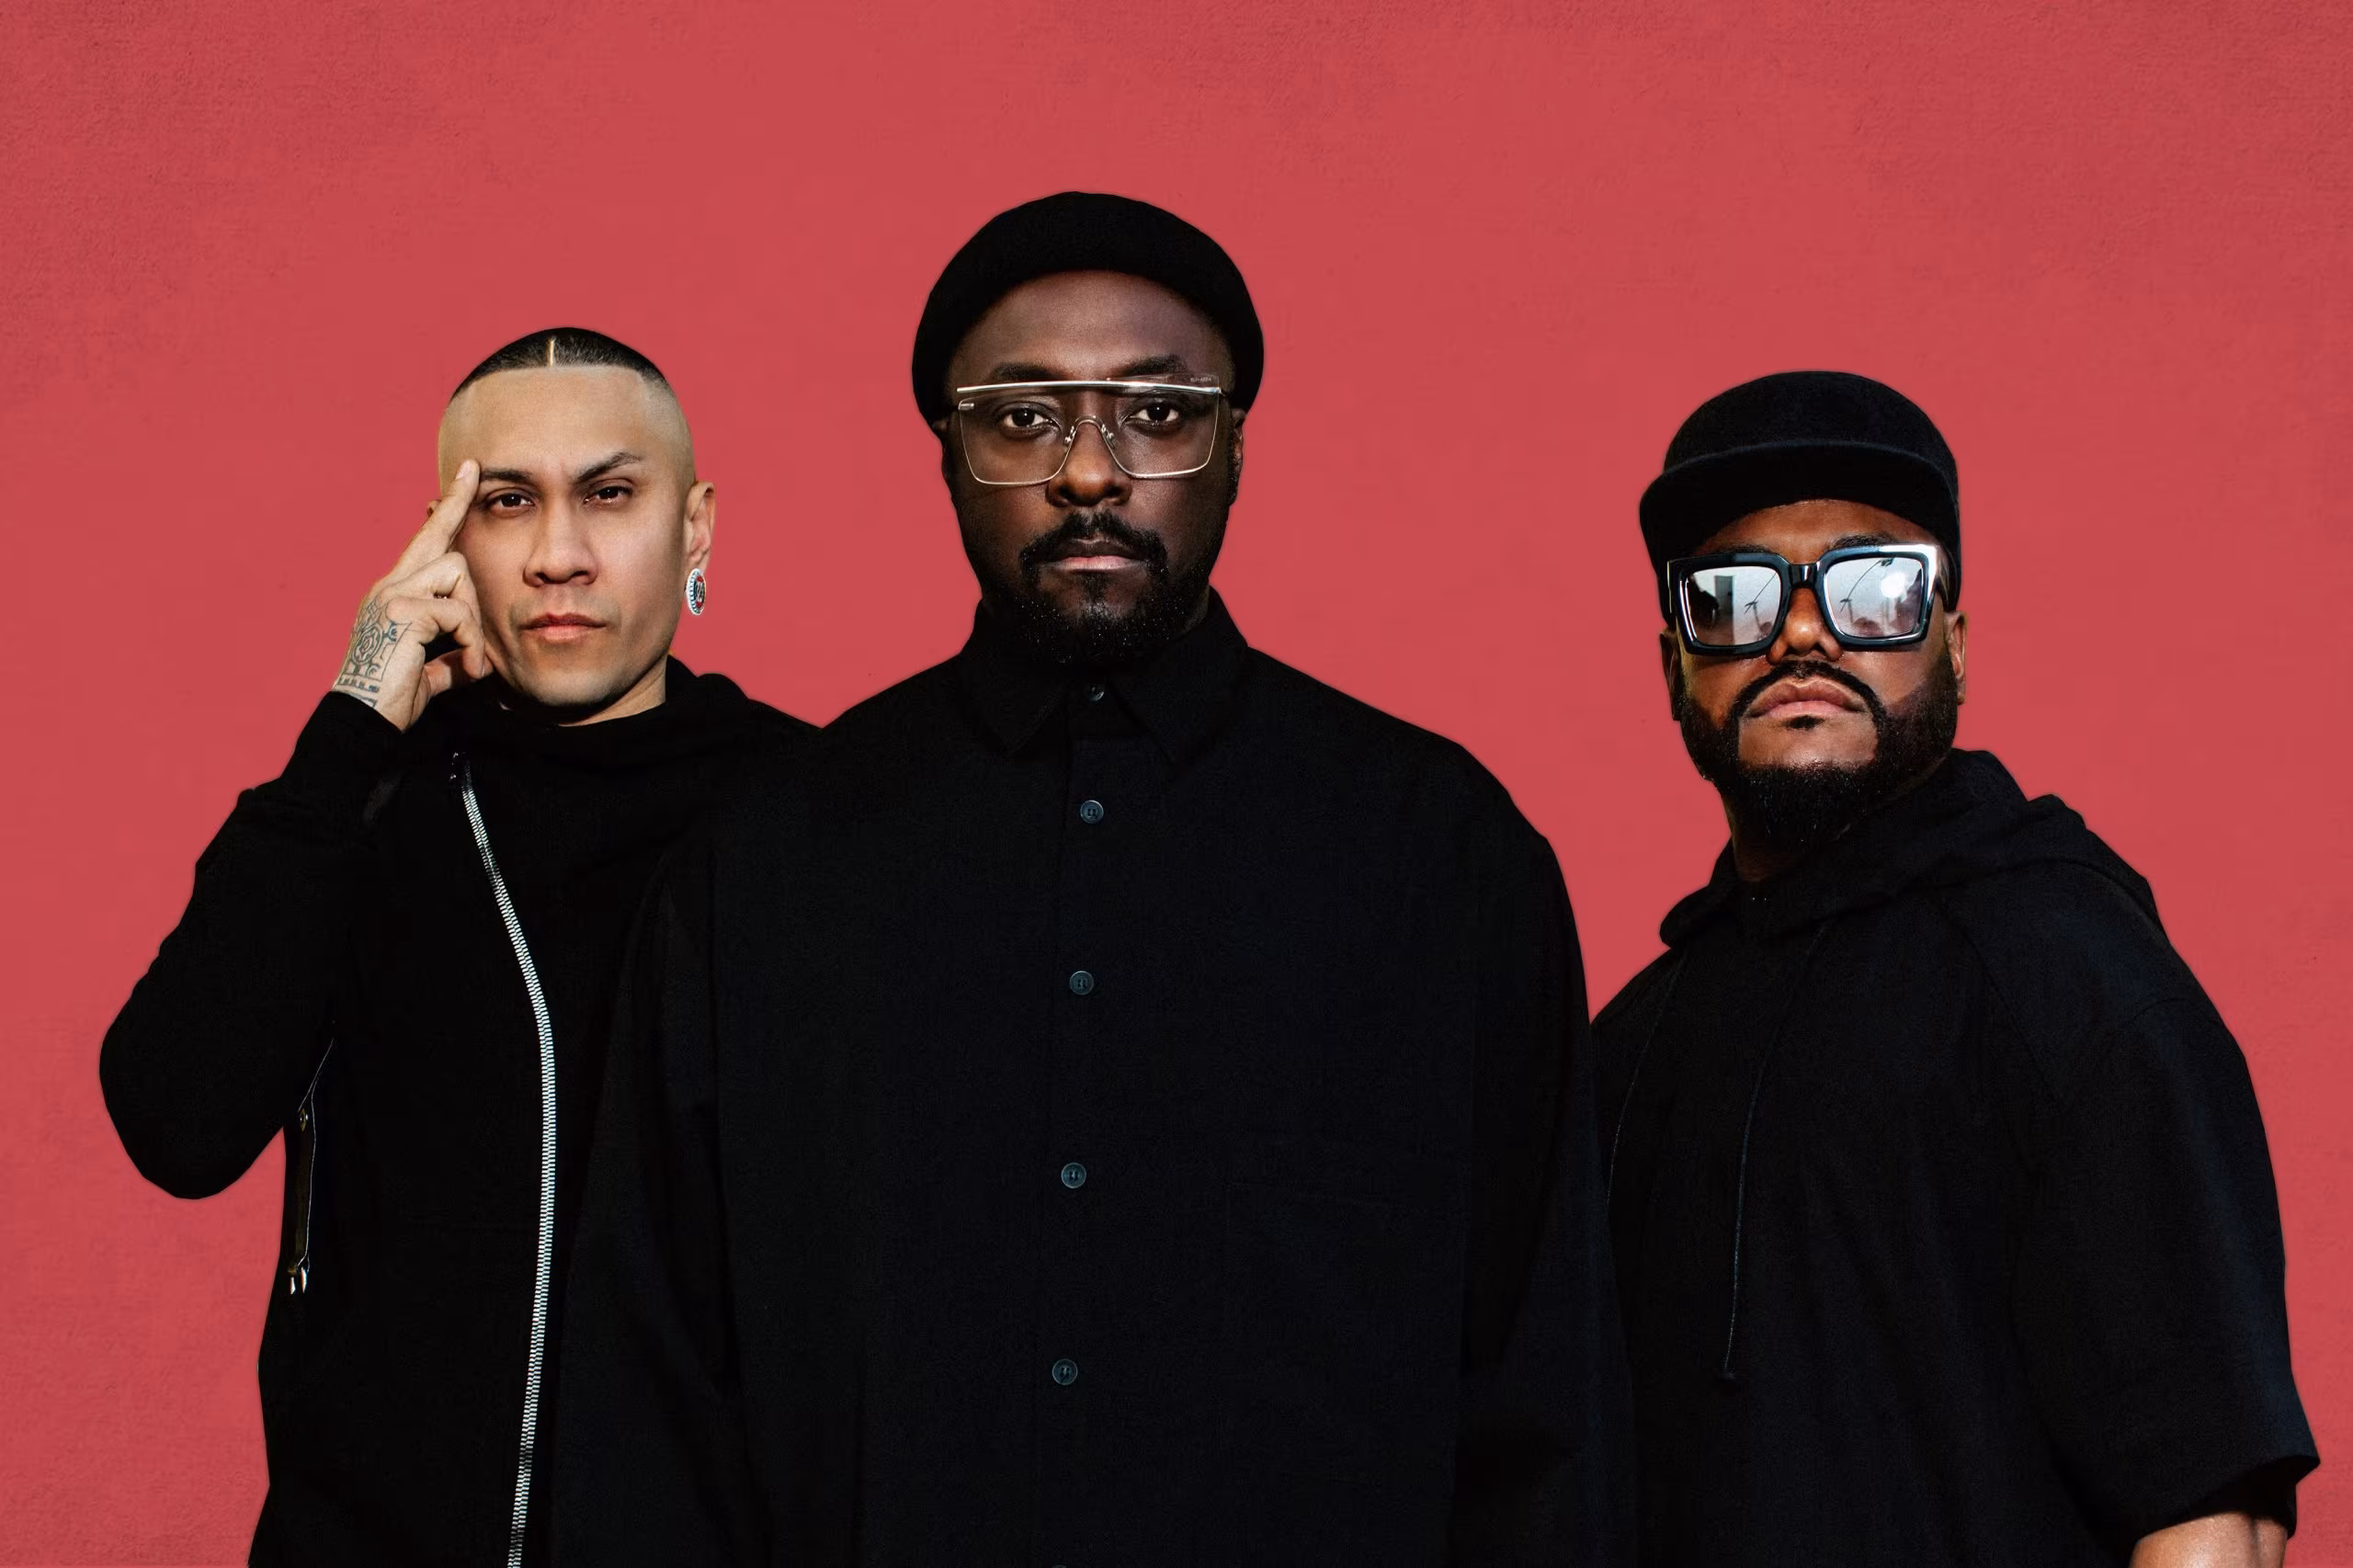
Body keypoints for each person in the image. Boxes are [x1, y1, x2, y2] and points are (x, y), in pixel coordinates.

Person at [556, 192, 1631, 1566]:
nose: (1087, 473)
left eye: (1158, 413)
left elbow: (1546, 1406)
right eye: (1022, 418)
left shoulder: (1444, 856)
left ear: (1235, 449)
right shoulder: (762, 866)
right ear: (949, 457)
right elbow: (651, 1412)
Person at [99, 328, 813, 1567]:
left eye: (610, 494)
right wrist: (350, 723)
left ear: (695, 527)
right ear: (440, 539)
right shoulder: (362, 813)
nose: (557, 554)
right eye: (506, 502)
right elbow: (176, 1119)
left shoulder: (815, 816)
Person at [1595, 369, 2316, 1566]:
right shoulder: (1632, 1045)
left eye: (1876, 587)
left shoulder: (2070, 973)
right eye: (1734, 595)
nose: (1803, 632)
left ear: (1957, 645)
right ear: (1676, 662)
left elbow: (2212, 1512)